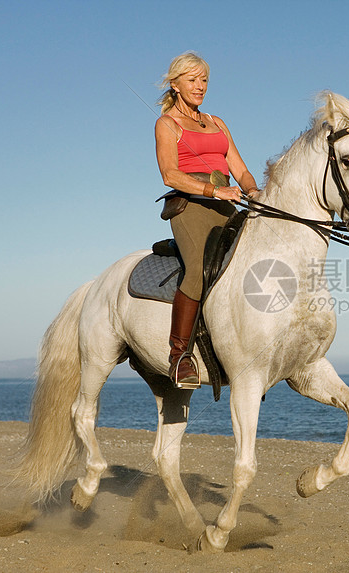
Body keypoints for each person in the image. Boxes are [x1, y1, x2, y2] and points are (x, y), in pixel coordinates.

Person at [155, 52, 260, 389]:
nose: (200, 87)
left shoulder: (217, 122)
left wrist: (254, 191)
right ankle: (180, 357)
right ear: (175, 84)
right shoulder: (167, 124)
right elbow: (170, 174)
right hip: (191, 206)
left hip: (226, 201)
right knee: (200, 269)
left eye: (204, 81)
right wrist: (214, 192)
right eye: (192, 80)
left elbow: (239, 168)